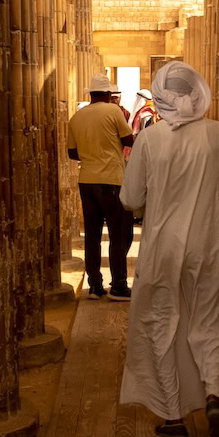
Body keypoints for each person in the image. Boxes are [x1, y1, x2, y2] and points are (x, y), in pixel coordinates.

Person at [118, 60, 219, 437]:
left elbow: (130, 197)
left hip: (161, 248)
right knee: (210, 321)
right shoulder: (216, 134)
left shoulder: (150, 139)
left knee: (161, 325)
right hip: (206, 245)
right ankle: (214, 394)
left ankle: (172, 418)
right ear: (195, 92)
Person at [66, 75, 134, 300]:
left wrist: (91, 153)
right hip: (112, 179)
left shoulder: (76, 117)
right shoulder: (114, 112)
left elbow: (72, 153)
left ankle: (95, 285)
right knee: (119, 234)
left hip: (86, 180)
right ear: (107, 95)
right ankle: (119, 286)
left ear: (91, 94)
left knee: (92, 235)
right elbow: (128, 140)